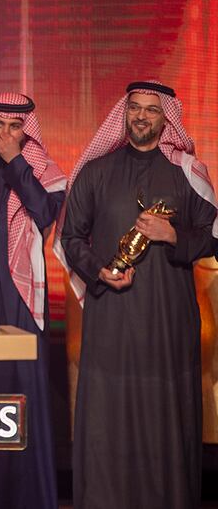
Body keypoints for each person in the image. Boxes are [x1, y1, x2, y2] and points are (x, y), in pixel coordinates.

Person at [57, 81, 218, 509]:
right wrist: (99, 272)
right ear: (124, 113)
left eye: (151, 110)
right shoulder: (96, 172)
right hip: (111, 316)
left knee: (166, 413)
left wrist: (174, 234)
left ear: (167, 119)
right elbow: (70, 237)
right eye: (135, 109)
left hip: (168, 320)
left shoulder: (186, 172)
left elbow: (213, 238)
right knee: (109, 412)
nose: (142, 116)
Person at [0, 93, 66, 509]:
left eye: (15, 126)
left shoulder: (41, 166)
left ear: (27, 130)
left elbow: (48, 215)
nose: (6, 134)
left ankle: (30, 497)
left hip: (23, 298)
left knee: (24, 396)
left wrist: (16, 163)